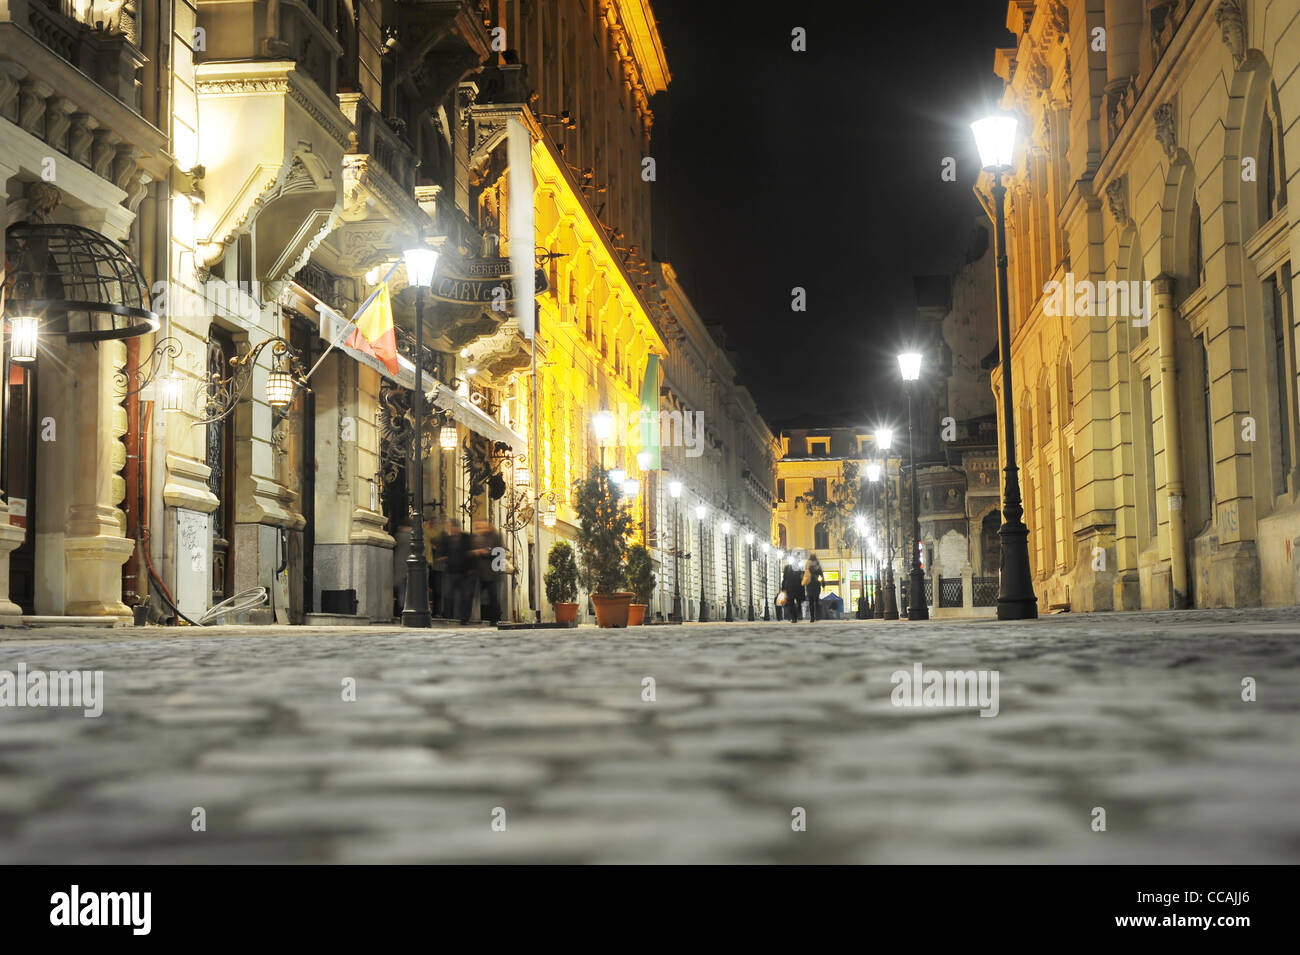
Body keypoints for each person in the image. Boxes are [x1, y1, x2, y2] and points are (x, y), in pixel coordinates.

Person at [468, 518, 504, 624]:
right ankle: (470, 617)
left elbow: (498, 551)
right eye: (478, 527)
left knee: (493, 597)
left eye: (482, 526)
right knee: (473, 595)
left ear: (487, 526)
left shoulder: (496, 536)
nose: (480, 529)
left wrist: (484, 552)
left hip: (492, 572)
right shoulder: (476, 537)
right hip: (479, 572)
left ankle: (495, 619)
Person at [804, 553, 825, 621]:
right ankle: (817, 616)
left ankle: (812, 617)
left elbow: (804, 574)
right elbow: (822, 576)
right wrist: (823, 583)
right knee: (816, 601)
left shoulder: (807, 565)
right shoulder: (818, 566)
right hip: (816, 585)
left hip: (809, 585)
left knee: (811, 602)